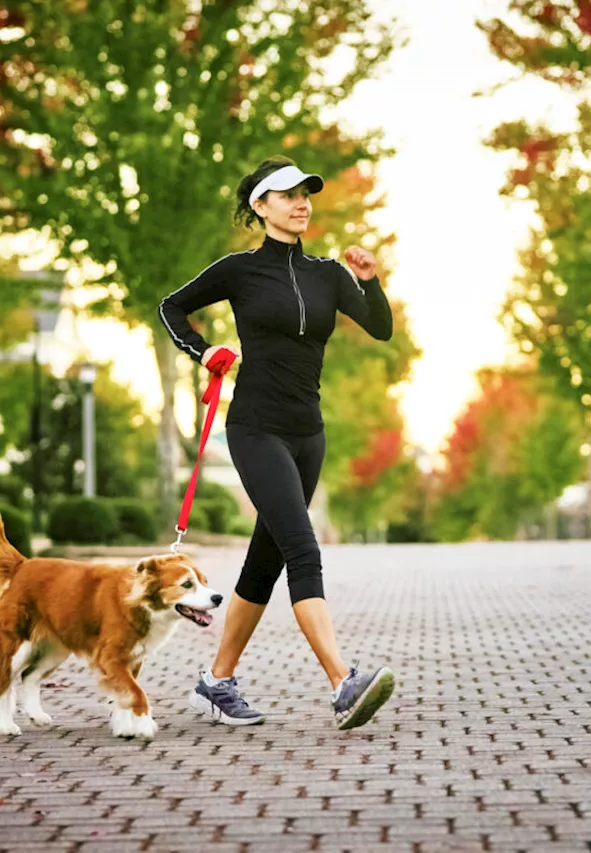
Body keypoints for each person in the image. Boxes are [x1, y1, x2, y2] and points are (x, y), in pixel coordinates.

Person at [158, 155, 396, 731]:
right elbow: (172, 307)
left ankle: (216, 682)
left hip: (307, 435)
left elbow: (381, 327)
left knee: (264, 563)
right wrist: (204, 350)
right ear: (260, 207)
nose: (301, 202)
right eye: (287, 194)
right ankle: (343, 682)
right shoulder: (239, 271)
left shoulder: (328, 274)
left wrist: (370, 280)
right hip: (255, 429)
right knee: (301, 548)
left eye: (306, 194)